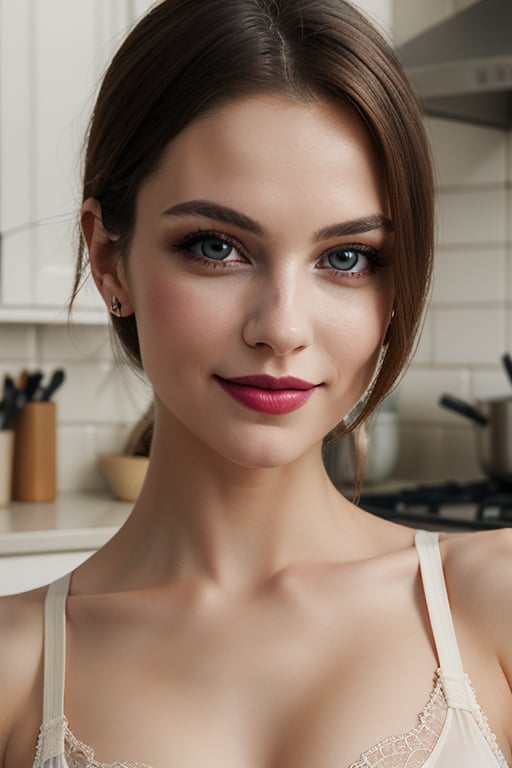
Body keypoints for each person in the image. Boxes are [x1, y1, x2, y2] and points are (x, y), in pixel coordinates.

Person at [1, 1, 511, 766]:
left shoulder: (495, 603)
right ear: (109, 261)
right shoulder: (15, 668)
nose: (282, 326)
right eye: (216, 246)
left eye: (346, 258)